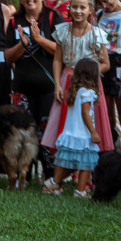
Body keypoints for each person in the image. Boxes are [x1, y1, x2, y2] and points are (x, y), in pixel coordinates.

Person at [42, 0, 113, 155]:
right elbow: (57, 59)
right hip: (67, 81)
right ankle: (66, 159)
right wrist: (57, 85)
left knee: (89, 119)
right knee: (67, 121)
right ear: (69, 8)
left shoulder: (97, 34)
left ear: (90, 10)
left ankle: (88, 160)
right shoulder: (62, 31)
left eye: (82, 7)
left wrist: (88, 75)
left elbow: (105, 63)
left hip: (89, 84)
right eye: (74, 7)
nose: (78, 11)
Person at [5, 0, 64, 175]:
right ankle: (24, 175)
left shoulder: (54, 18)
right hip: (22, 87)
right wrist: (22, 45)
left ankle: (50, 175)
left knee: (48, 131)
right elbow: (8, 56)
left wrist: (39, 39)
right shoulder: (14, 21)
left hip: (50, 87)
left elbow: (64, 51)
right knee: (23, 132)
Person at [42, 58, 102, 198]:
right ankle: (80, 191)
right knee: (86, 164)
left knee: (72, 165)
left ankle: (53, 183)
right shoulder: (88, 92)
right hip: (83, 135)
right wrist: (93, 132)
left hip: (70, 134)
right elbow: (85, 113)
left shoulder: (74, 91)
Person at [92, 0, 121, 135]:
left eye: (107, 1)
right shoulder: (99, 15)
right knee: (107, 115)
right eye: (101, 3)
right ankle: (111, 142)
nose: (105, 6)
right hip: (103, 63)